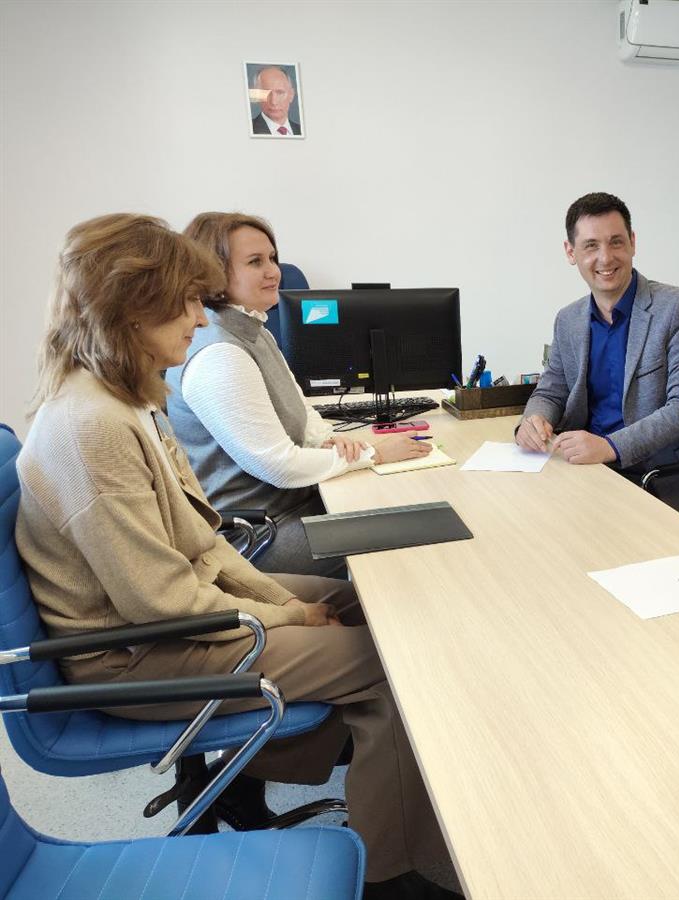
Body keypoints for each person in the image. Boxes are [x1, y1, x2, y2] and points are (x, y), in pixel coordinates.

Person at [15, 214, 454, 900]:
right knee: (389, 663)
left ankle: (242, 776)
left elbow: (202, 542)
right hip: (134, 654)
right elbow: (160, 601)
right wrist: (290, 618)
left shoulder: (128, 400)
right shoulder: (90, 427)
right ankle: (391, 875)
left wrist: (288, 605)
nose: (201, 317)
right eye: (187, 301)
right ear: (132, 307)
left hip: (167, 622)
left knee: (369, 605)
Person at [164, 212, 430, 579]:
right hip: (259, 534)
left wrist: (327, 440)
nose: (273, 271)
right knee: (411, 538)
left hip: (294, 506)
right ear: (214, 272)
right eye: (255, 262)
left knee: (411, 509)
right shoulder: (219, 355)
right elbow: (278, 464)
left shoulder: (254, 331)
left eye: (272, 258)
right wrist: (374, 454)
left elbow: (300, 408)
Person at [516, 192, 679, 481]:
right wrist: (533, 421)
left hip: (659, 474)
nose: (606, 257)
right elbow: (551, 391)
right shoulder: (568, 320)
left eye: (616, 242)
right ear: (570, 252)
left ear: (632, 243)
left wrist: (609, 446)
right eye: (591, 245)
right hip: (590, 468)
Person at [251, 66, 301, 136]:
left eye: (280, 92)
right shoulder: (248, 129)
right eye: (267, 93)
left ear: (291, 95)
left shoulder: (301, 130)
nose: (273, 102)